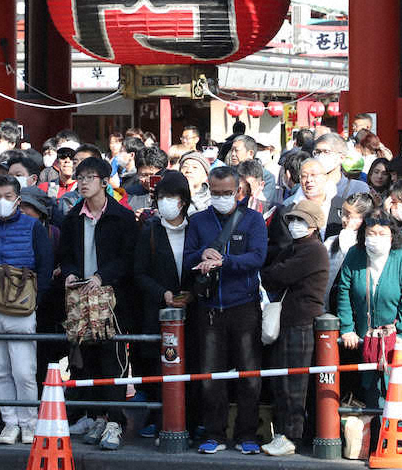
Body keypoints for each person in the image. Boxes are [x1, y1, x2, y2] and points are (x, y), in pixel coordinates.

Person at [184, 165, 267, 455]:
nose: (220, 197)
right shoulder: (198, 221)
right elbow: (186, 258)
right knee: (210, 375)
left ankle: (247, 434)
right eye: (215, 192)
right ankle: (214, 433)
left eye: (226, 193)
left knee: (249, 373)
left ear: (238, 191)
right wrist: (201, 255)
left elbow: (257, 258)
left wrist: (225, 261)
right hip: (208, 307)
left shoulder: (253, 220)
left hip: (244, 304)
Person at [57, 157, 137, 450]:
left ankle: (116, 420)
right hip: (80, 299)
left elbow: (128, 258)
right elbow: (64, 254)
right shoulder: (71, 218)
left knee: (112, 361)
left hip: (112, 301)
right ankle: (97, 416)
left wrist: (103, 276)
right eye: (80, 177)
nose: (84, 182)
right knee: (85, 362)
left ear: (105, 182)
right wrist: (69, 273)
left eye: (91, 177)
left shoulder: (122, 217)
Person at [0, 176, 53, 446]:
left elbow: (45, 266)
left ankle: (29, 423)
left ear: (18, 198)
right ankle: (10, 422)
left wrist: (36, 299)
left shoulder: (33, 227)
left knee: (24, 370)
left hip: (23, 306)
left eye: (7, 196)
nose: (2, 202)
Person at [259, 199, 329, 457]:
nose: (296, 225)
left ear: (314, 225)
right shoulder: (294, 248)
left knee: (294, 384)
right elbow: (273, 270)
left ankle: (292, 436)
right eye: (293, 220)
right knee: (281, 381)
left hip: (301, 323)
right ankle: (283, 433)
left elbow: (277, 275)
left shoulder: (314, 250)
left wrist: (274, 270)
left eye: (302, 220)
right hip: (286, 322)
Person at [337, 209, 402, 408]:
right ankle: (374, 436)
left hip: (396, 338)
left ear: (392, 235)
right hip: (366, 338)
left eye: (382, 233)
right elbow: (344, 291)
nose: (376, 238)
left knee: (396, 393)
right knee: (371, 394)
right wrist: (347, 329)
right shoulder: (355, 254)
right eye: (371, 233)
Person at [133, 170, 193, 439]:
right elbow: (139, 273)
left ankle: (192, 420)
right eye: (162, 197)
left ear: (184, 200)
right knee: (161, 367)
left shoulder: (197, 228)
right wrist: (163, 293)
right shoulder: (150, 231)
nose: (167, 202)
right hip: (158, 310)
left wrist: (191, 293)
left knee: (192, 365)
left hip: (192, 311)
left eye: (172, 196)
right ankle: (158, 419)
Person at [324, 192, 377, 308]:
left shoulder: (371, 245)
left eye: (349, 215)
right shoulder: (331, 241)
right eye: (342, 213)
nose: (343, 219)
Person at [311, 133, 369, 199]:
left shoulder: (358, 188)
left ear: (342, 157)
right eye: (317, 152)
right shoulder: (307, 186)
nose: (321, 156)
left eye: (326, 152)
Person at [229, 135, 277, 203]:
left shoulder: (267, 177)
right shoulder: (229, 173)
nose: (233, 154)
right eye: (232, 150)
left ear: (250, 153)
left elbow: (264, 204)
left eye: (236, 150)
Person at [125, 147, 167, 214]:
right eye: (144, 175)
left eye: (152, 175)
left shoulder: (172, 194)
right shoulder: (129, 194)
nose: (148, 180)